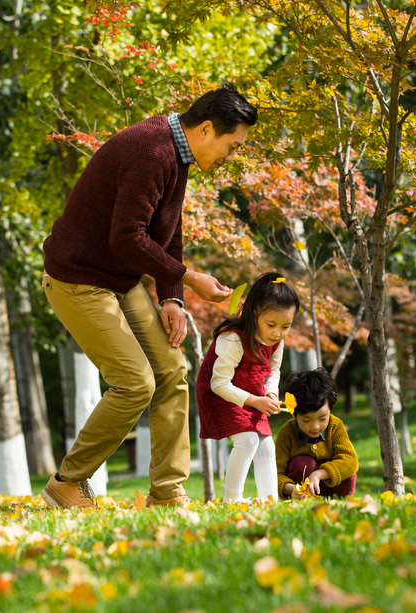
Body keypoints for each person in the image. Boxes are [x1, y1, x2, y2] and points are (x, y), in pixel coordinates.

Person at [40, 85, 258, 510]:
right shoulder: (152, 151)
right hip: (78, 278)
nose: (231, 157)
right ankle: (67, 482)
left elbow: (166, 231)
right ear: (207, 129)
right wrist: (190, 279)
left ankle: (167, 493)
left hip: (118, 281)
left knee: (172, 371)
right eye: (232, 147)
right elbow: (126, 238)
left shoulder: (177, 153)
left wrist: (172, 297)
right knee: (134, 382)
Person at [196, 272, 300, 503]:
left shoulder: (277, 342)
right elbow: (218, 383)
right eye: (271, 324)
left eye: (286, 326)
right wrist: (255, 400)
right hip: (220, 393)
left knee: (266, 445)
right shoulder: (233, 339)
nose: (278, 333)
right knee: (248, 440)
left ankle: (270, 501)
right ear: (254, 314)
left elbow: (273, 372)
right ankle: (232, 501)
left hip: (252, 393)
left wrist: (271, 393)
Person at [275, 368, 358, 499]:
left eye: (323, 418)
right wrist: (292, 489)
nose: (315, 426)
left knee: (347, 470)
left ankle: (336, 501)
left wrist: (319, 474)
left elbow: (350, 461)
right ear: (294, 414)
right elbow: (276, 474)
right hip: (302, 492)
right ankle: (306, 499)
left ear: (330, 411)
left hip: (333, 489)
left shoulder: (335, 426)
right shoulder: (287, 433)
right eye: (306, 420)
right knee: (302, 464)